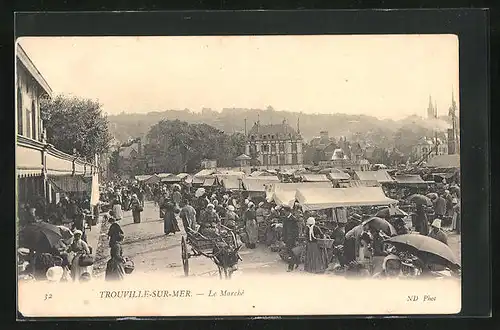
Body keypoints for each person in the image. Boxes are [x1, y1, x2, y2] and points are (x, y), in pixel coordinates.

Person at [281, 205, 300, 271]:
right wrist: (283, 237)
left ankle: (290, 267)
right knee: (290, 252)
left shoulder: (293, 219)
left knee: (291, 252)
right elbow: (284, 229)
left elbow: (296, 230)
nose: (284, 213)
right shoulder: (285, 218)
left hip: (292, 238)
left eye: (285, 212)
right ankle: (297, 262)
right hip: (287, 238)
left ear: (288, 212)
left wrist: (296, 238)